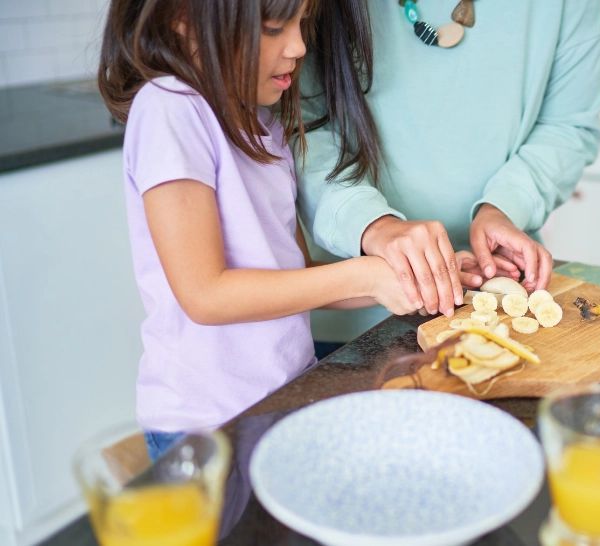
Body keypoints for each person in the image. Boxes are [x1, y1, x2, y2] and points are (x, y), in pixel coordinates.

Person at [98, 0, 412, 461]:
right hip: (207, 427)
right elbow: (205, 294)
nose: (299, 46)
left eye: (302, 24)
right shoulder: (170, 108)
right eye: (272, 28)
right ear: (184, 20)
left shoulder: (263, 123)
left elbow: (297, 275)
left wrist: (400, 274)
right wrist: (365, 277)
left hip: (283, 398)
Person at [297, 0, 600, 345]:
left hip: (502, 305)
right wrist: (370, 223)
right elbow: (300, 123)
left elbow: (568, 125)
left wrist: (506, 206)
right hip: (348, 321)